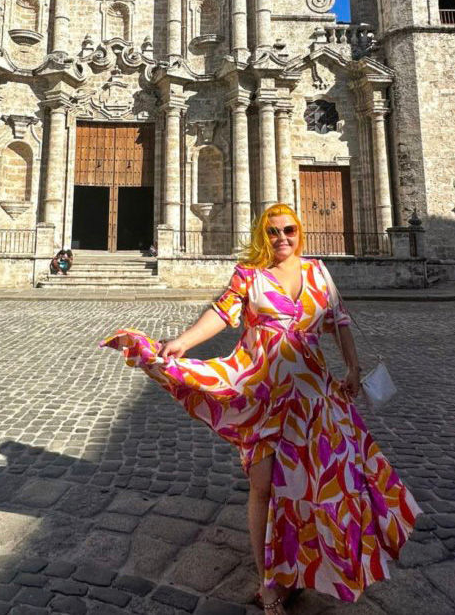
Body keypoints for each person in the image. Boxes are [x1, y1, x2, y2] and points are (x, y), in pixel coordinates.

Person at [100, 203, 420, 610]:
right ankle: (269, 583)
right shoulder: (249, 275)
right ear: (262, 236)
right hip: (264, 394)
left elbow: (339, 321)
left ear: (299, 232)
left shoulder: (318, 271)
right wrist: (182, 341)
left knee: (322, 483)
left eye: (288, 230)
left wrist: (353, 368)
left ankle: (304, 567)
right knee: (263, 484)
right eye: (272, 231)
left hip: (314, 395)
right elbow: (221, 314)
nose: (281, 237)